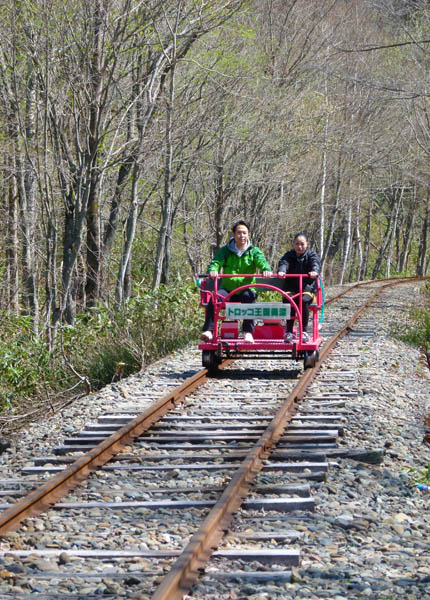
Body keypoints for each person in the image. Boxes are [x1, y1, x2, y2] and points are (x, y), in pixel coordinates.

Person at [200, 220, 272, 344]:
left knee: (249, 297)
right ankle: (209, 330)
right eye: (239, 233)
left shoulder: (254, 251)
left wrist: (266, 269)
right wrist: (213, 270)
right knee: (215, 298)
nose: (242, 236)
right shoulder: (225, 251)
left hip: (246, 289)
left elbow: (262, 261)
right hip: (228, 290)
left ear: (248, 235)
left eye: (244, 233)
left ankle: (248, 332)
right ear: (233, 234)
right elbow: (216, 262)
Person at [277, 233, 321, 342]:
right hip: (291, 288)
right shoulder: (289, 255)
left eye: (302, 244)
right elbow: (284, 263)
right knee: (289, 299)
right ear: (293, 244)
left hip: (307, 288)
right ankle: (289, 331)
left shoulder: (311, 255)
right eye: (297, 244)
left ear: (307, 244)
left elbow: (315, 263)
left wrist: (314, 271)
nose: (299, 247)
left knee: (303, 300)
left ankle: (304, 331)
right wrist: (282, 270)